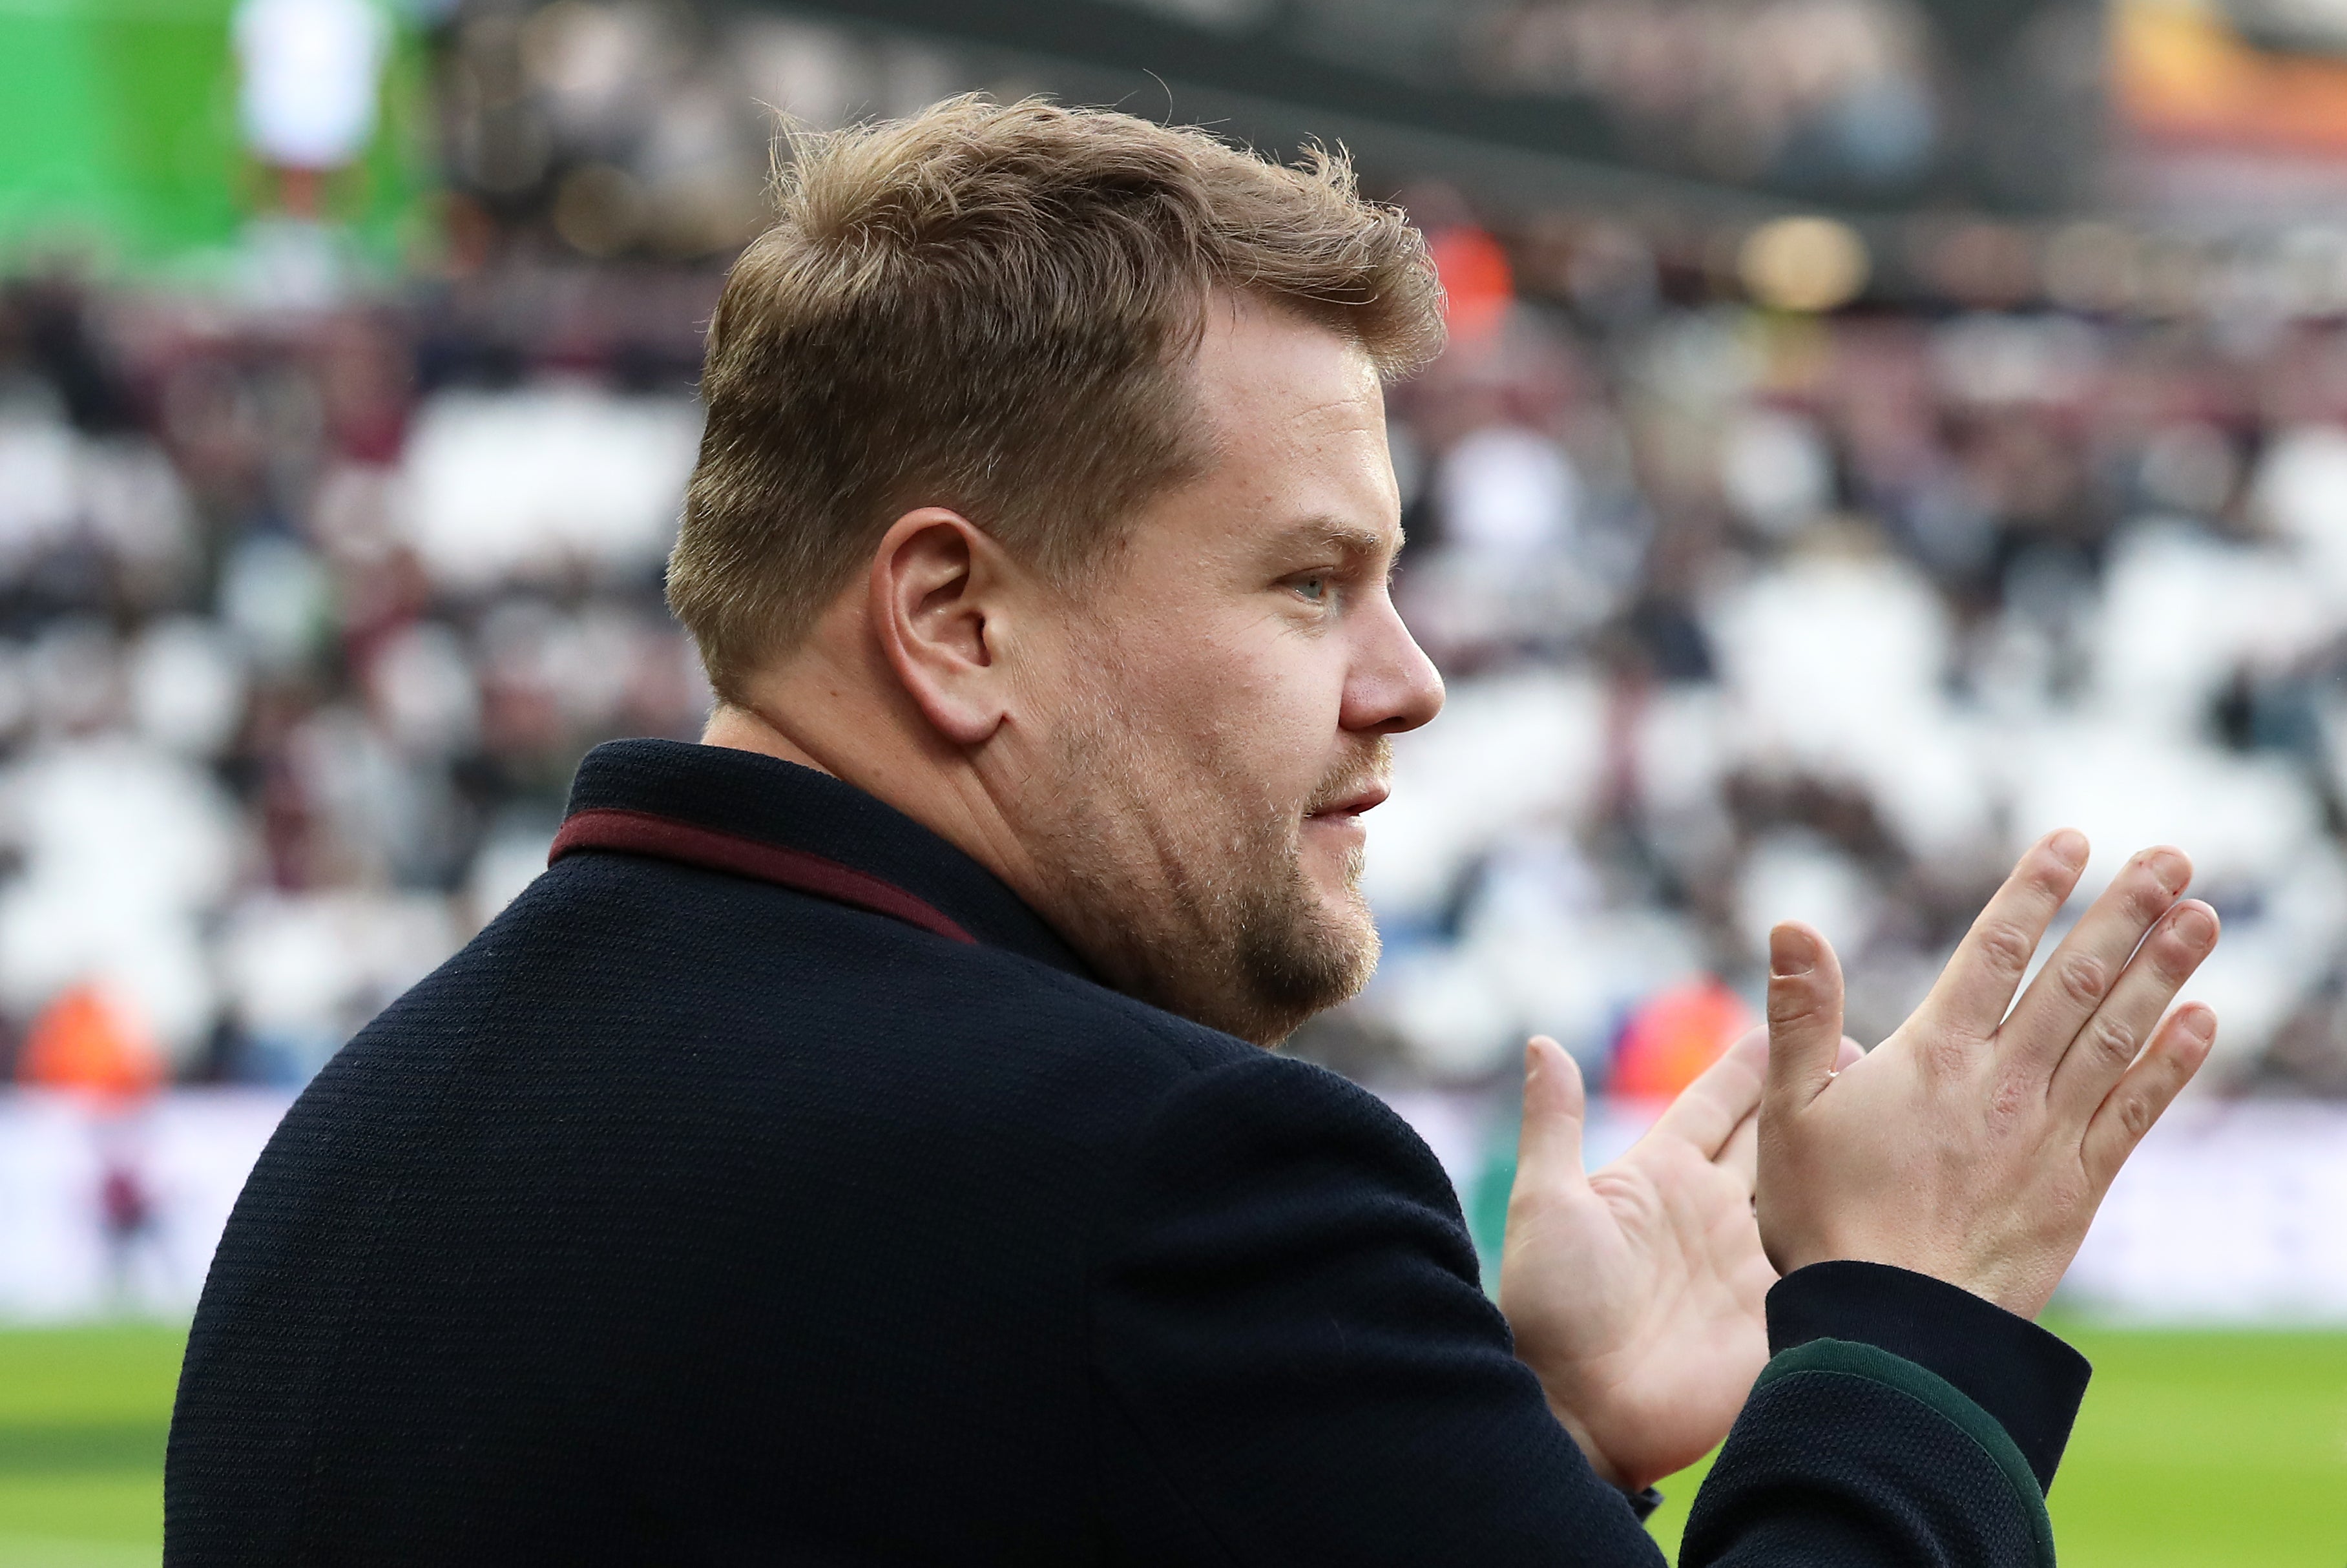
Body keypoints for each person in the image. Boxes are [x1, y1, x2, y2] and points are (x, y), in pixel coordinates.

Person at [165, 98, 2222, 1565]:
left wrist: (1536, 1459)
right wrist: (1910, 1330)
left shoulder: (366, 1134)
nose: (1408, 676)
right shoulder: (1162, 1178)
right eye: (1310, 582)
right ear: (956, 620)